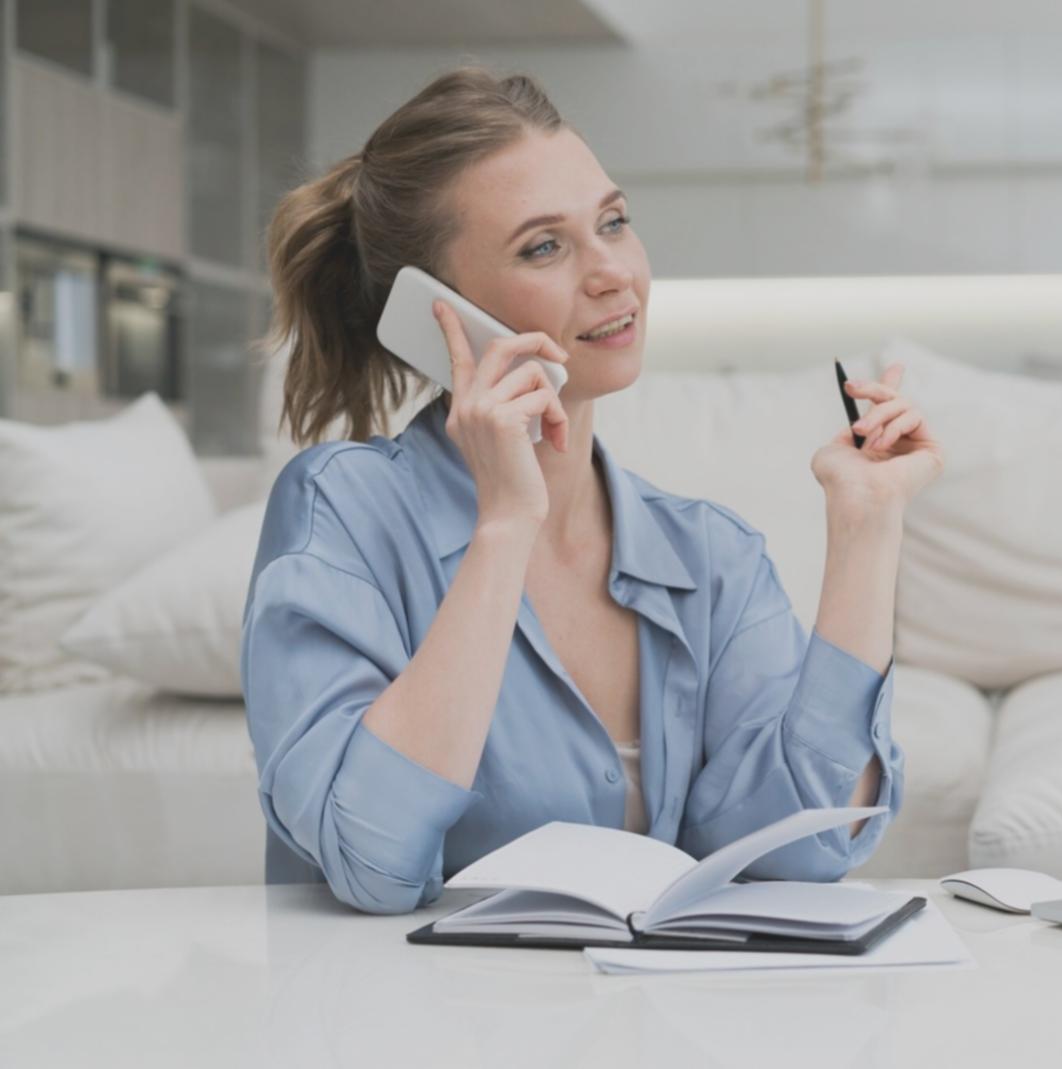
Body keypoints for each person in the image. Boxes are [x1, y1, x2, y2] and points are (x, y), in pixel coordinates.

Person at [243, 67, 945, 915]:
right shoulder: (341, 512)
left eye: (612, 222)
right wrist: (503, 527)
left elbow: (799, 849)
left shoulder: (708, 555)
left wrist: (867, 530)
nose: (613, 271)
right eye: (544, 246)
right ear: (438, 314)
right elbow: (370, 860)